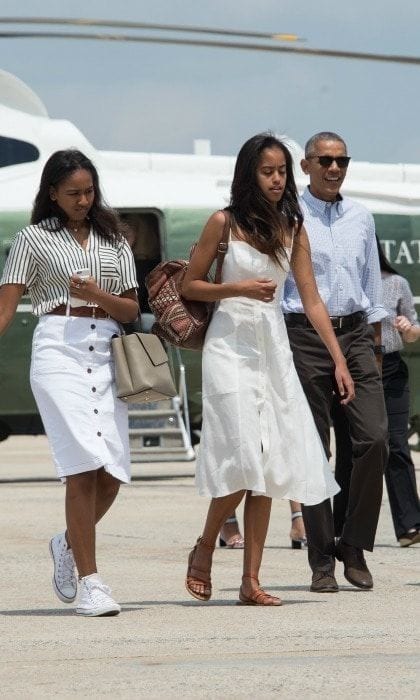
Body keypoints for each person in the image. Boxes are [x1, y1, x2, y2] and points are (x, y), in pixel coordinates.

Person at [181, 133, 354, 605]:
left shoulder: (293, 227)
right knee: (243, 459)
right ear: (249, 175)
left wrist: (339, 358)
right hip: (229, 346)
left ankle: (250, 581)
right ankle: (204, 546)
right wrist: (237, 290)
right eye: (267, 171)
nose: (277, 180)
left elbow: (312, 299)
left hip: (272, 348)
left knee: (270, 463)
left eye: (281, 171)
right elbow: (190, 284)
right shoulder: (224, 222)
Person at [0, 149, 139, 616]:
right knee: (80, 466)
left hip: (106, 350)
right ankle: (91, 583)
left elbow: (130, 310)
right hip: (58, 347)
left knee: (114, 473)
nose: (84, 200)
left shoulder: (115, 240)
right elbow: (4, 311)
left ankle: (66, 542)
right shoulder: (32, 239)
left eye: (89, 191)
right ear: (53, 193)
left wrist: (97, 293)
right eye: (73, 193)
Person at [283, 131, 388, 593]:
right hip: (303, 335)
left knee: (374, 438)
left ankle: (354, 543)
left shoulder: (361, 217)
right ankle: (321, 558)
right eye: (324, 160)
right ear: (305, 166)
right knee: (314, 447)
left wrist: (376, 347)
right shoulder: (288, 215)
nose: (334, 168)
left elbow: (373, 284)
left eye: (342, 160)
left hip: (357, 333)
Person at [332, 238, 420, 547]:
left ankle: (410, 526)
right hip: (355, 369)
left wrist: (409, 329)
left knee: (396, 445)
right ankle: (340, 526)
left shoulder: (395, 282)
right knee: (352, 449)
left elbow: (413, 327)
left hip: (392, 368)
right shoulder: (342, 284)